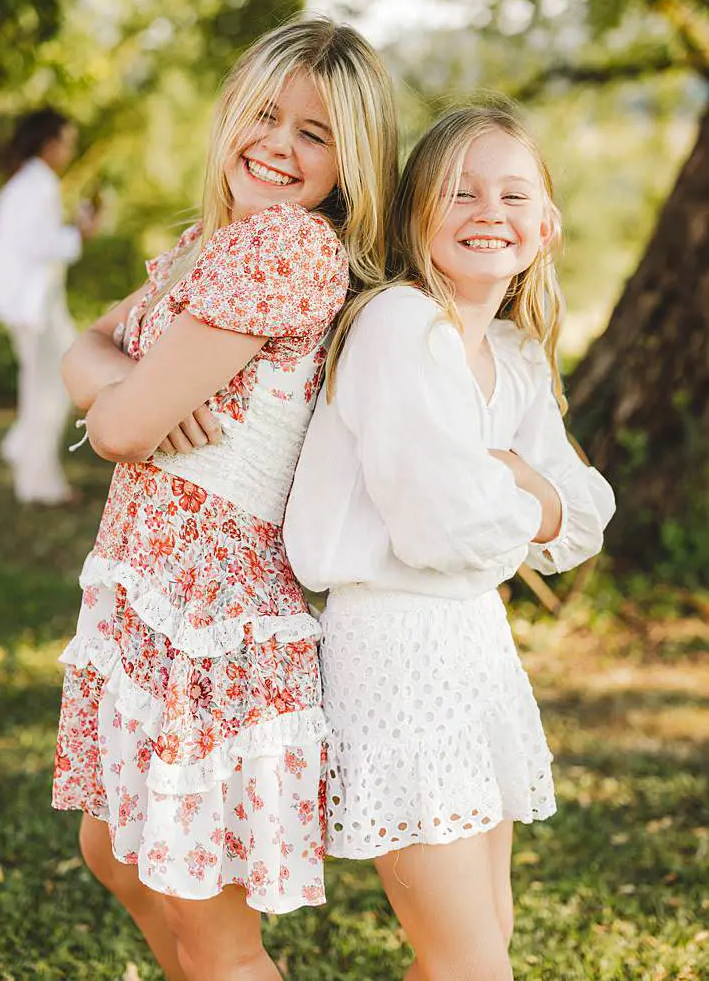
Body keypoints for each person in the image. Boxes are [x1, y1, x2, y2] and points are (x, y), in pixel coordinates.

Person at [53, 17, 398, 980]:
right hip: (150, 588)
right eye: (263, 114)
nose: (278, 146)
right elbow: (87, 348)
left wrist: (125, 404)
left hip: (213, 608)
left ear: (350, 162)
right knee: (115, 852)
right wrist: (118, 390)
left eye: (314, 133)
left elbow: (119, 429)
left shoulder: (284, 249)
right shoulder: (211, 241)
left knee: (206, 916)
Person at [284, 104, 615, 980]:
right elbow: (442, 528)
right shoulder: (398, 324)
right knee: (473, 965)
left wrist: (517, 482)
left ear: (545, 226)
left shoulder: (515, 355)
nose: (487, 211)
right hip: (395, 653)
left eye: (513, 194)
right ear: (415, 215)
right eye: (459, 191)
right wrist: (528, 492)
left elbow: (584, 515)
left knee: (478, 946)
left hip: (476, 647)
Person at [0, 107, 100, 505]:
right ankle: (40, 483)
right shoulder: (39, 184)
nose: (70, 150)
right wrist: (79, 233)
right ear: (50, 144)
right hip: (33, 305)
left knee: (52, 384)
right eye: (67, 142)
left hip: (35, 302)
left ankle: (23, 451)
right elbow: (38, 246)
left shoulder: (26, 183)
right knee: (49, 389)